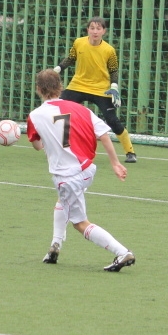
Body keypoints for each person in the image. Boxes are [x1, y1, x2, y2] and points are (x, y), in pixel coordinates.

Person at [28, 68, 135, 272]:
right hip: (87, 170)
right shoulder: (81, 109)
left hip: (67, 177)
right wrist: (115, 163)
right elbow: (104, 134)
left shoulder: (35, 116)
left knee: (80, 223)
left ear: (38, 89)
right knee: (62, 201)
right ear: (60, 86)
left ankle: (122, 253)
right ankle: (55, 246)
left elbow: (37, 146)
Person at [53, 17, 137, 163]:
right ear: (88, 30)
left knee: (112, 120)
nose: (95, 31)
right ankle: (63, 146)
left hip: (100, 89)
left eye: (98, 28)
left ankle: (130, 152)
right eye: (92, 28)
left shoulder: (109, 50)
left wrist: (114, 88)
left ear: (104, 31)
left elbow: (113, 71)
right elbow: (71, 58)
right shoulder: (79, 43)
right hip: (78, 85)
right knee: (59, 111)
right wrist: (58, 69)